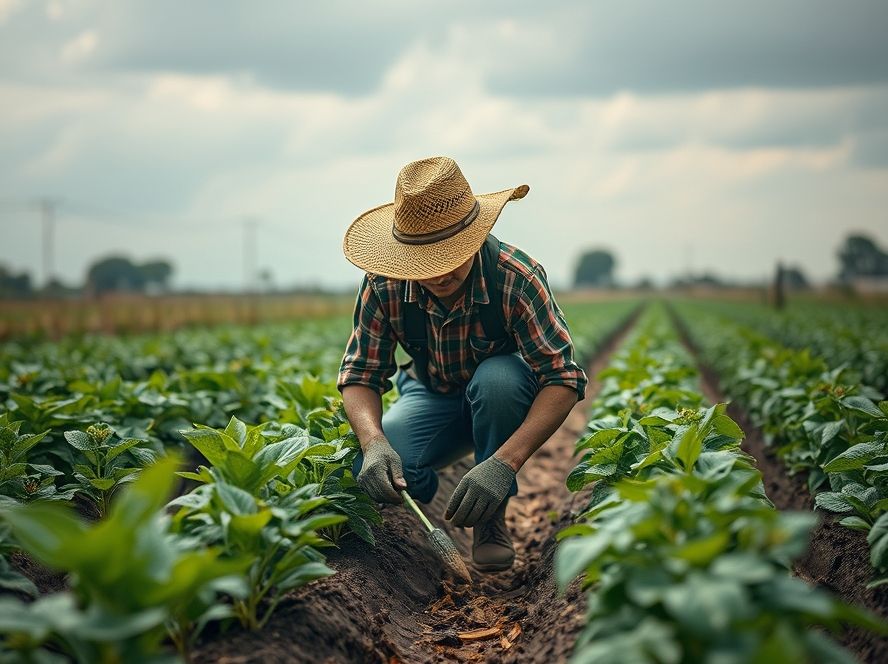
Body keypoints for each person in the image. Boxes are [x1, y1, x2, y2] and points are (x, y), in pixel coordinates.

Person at [337, 156, 587, 572]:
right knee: (371, 466)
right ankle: (430, 499)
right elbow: (360, 373)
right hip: (431, 394)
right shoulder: (383, 284)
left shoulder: (516, 277)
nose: (438, 274)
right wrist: (373, 442)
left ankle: (490, 518)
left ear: (474, 237)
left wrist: (503, 465)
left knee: (499, 379)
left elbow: (562, 379)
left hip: (502, 400)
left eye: (449, 256)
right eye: (424, 262)